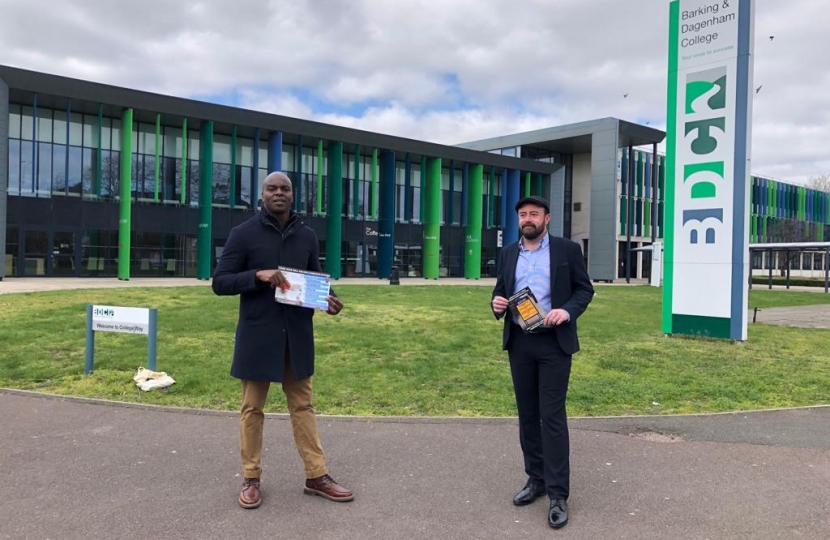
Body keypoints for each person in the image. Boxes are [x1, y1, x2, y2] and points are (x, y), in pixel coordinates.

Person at [212, 171, 353, 509]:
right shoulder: (243, 234)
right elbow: (220, 282)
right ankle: (251, 477)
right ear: (262, 194)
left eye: (285, 189)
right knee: (252, 409)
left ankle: (316, 475)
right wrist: (256, 275)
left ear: (293, 195)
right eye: (272, 188)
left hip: (297, 336)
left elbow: (315, 279)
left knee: (303, 406)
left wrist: (329, 299)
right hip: (258, 336)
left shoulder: (306, 235)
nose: (278, 193)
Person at [491, 196, 594, 529]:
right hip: (520, 342)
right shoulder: (508, 253)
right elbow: (500, 293)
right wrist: (495, 304)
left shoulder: (566, 251)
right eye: (523, 214)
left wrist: (567, 310)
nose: (528, 219)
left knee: (551, 417)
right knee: (527, 416)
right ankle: (535, 479)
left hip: (554, 342)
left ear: (547, 219)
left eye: (534, 214)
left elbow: (584, 290)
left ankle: (557, 493)